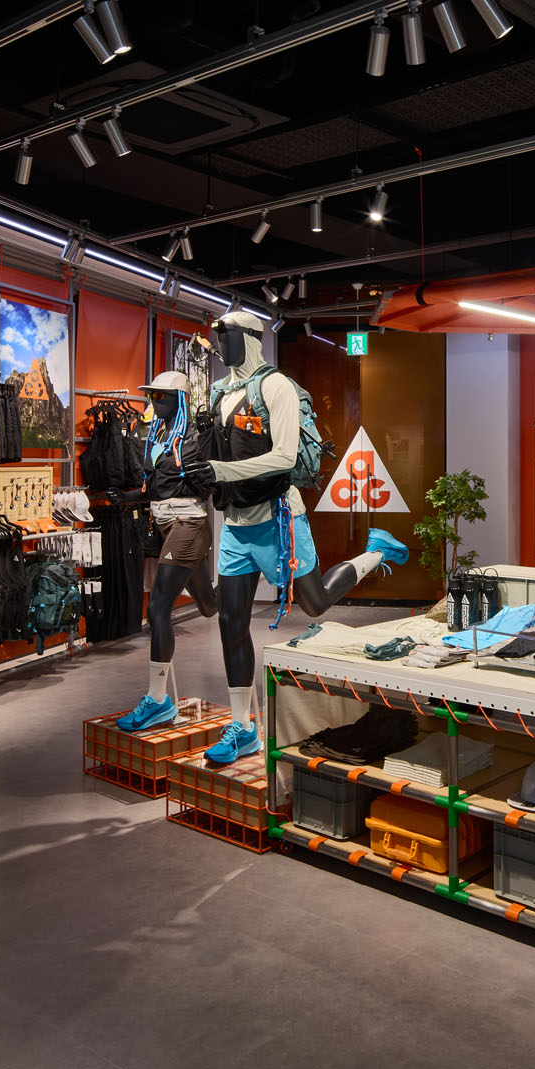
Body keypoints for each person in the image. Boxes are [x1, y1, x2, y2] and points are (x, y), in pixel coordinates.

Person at [176, 311, 408, 764]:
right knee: (231, 623)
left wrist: (220, 470)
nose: (221, 346)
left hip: (279, 517)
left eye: (228, 336)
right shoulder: (220, 392)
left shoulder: (276, 387)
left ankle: (375, 551)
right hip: (236, 524)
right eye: (218, 337)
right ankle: (242, 727)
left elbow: (284, 457)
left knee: (315, 603)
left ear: (249, 338)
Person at [114, 370, 218, 733]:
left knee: (158, 607)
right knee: (208, 605)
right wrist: (125, 498)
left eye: (161, 396)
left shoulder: (196, 437)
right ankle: (238, 587)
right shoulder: (156, 435)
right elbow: (155, 487)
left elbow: (210, 481)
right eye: (152, 396)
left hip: (187, 524)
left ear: (180, 400)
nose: (154, 402)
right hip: (162, 524)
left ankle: (157, 700)